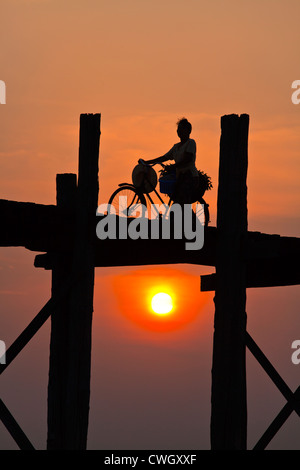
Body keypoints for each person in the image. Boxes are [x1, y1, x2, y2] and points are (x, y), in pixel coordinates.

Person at [140, 118, 199, 204]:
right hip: (180, 178)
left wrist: (173, 166)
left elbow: (187, 159)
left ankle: (190, 217)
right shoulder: (176, 147)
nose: (179, 131)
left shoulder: (191, 143)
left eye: (182, 129)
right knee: (177, 203)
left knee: (182, 203)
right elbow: (163, 157)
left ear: (189, 131)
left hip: (190, 177)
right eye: (178, 129)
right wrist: (147, 162)